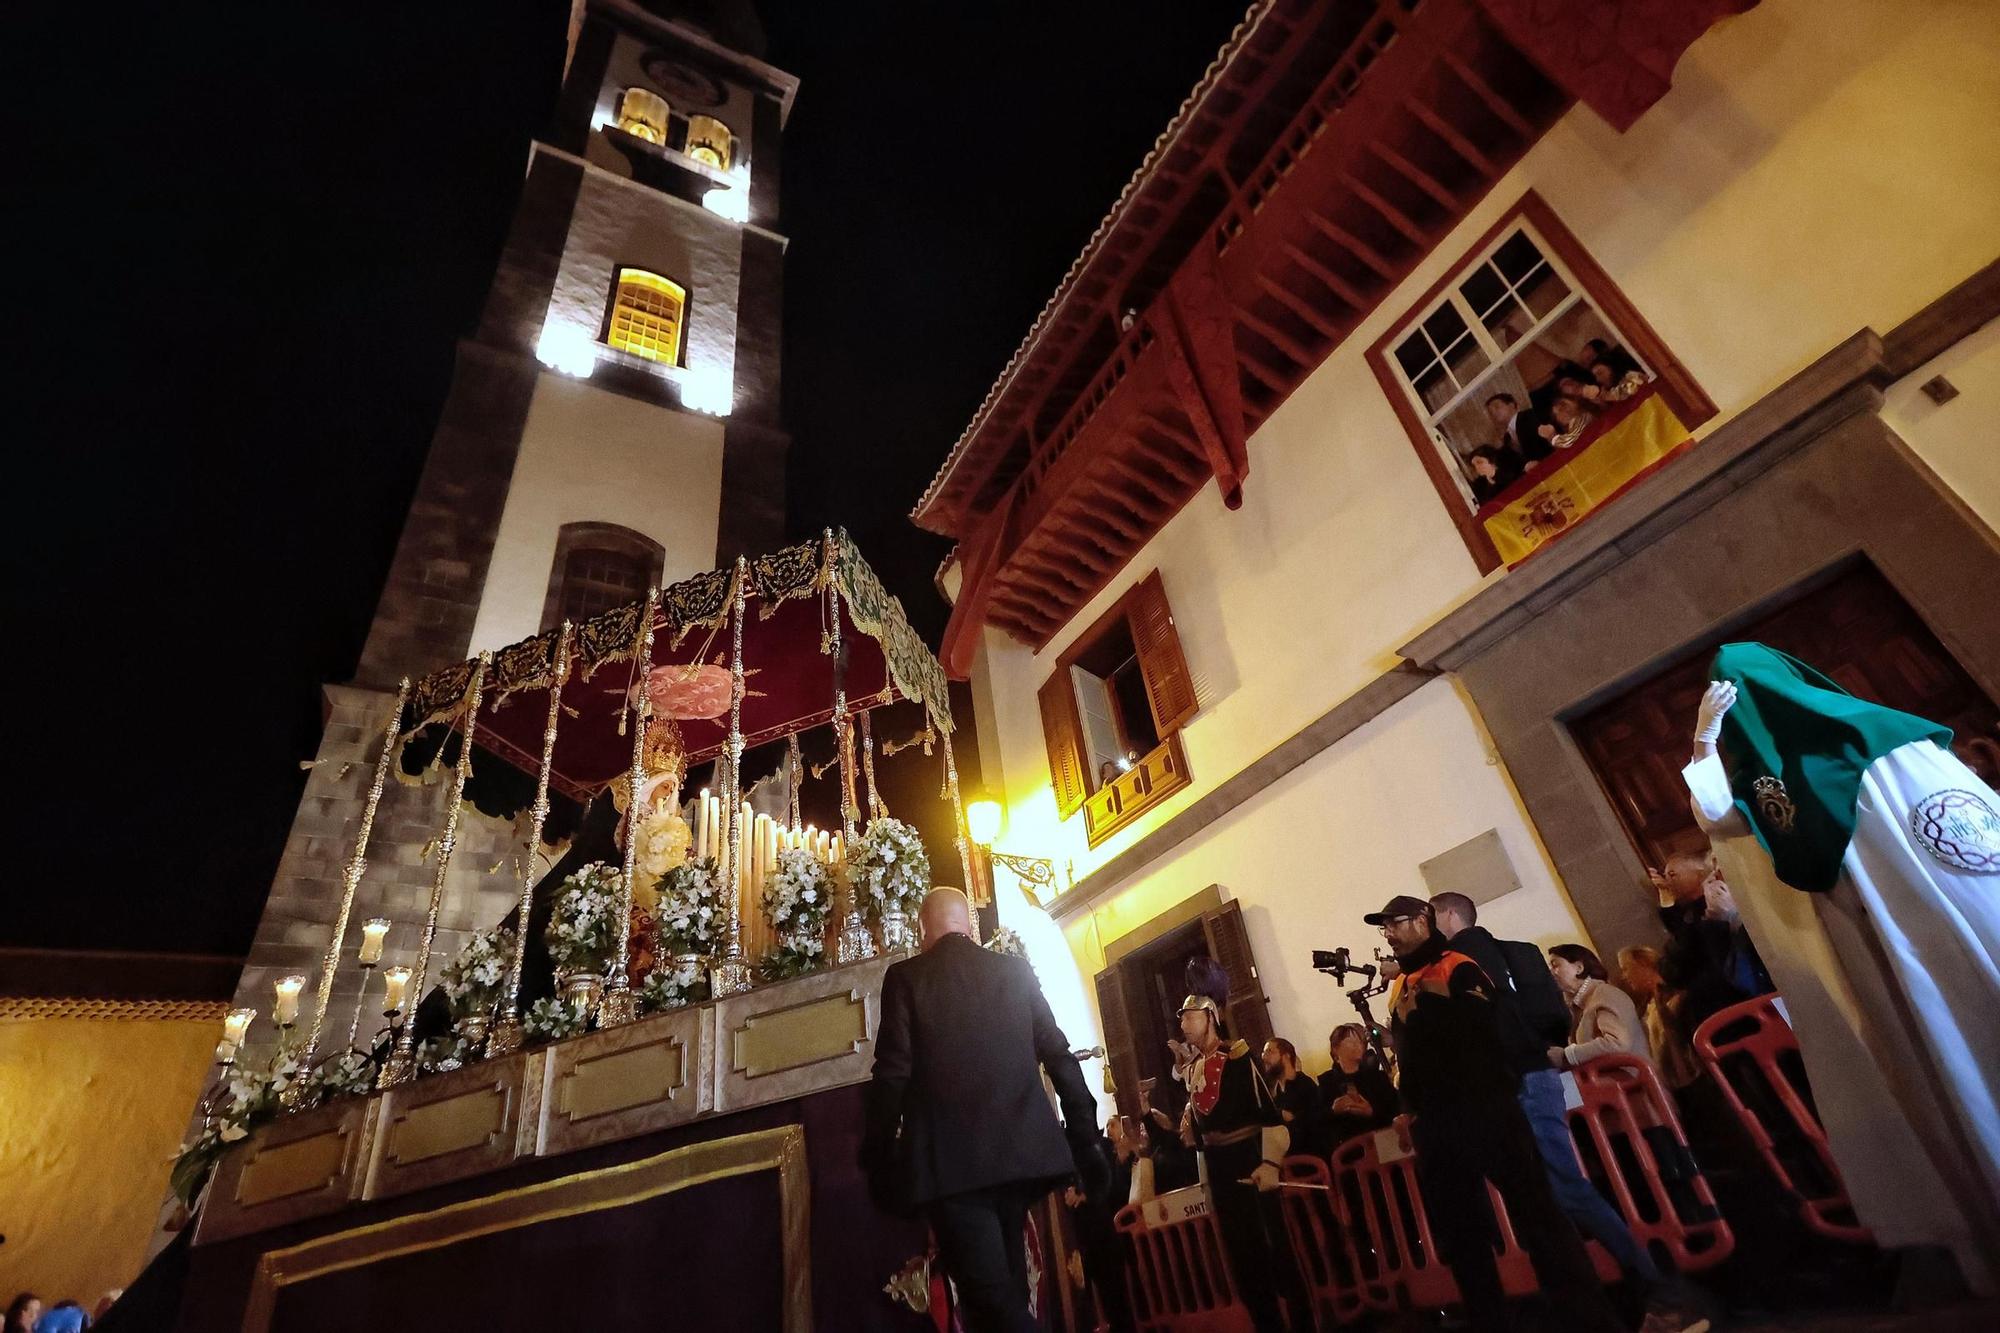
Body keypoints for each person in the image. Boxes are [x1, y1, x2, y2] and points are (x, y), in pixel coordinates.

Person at [1682, 647, 2000, 1290]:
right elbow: (1718, 817)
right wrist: (1704, 748)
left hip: (1918, 946)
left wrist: (1707, 748)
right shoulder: (1858, 750)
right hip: (1912, 950)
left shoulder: (1818, 766)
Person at [1426, 893, 1697, 1331]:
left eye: (1430, 915)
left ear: (1450, 915)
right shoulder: (1513, 955)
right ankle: (1629, 1300)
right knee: (1551, 1196)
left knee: (1563, 1189)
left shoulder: (1463, 958)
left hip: (1519, 1083)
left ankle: (1659, 1290)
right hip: (1532, 1077)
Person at [1368, 894, 1623, 1333]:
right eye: (1384, 926)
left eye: (1396, 922)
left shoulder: (1457, 965)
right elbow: (1410, 1059)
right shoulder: (1398, 987)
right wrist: (1410, 1107)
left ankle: (1591, 1321)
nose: (1388, 933)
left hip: (1482, 1108)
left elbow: (1483, 1034)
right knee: (1464, 1240)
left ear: (1426, 920)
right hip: (1436, 1124)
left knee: (1539, 1217)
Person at [862, 889, 1104, 1332]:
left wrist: (876, 1153)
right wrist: (1085, 1137)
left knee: (992, 1302)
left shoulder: (907, 978)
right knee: (1006, 1295)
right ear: (969, 926)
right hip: (1022, 1159)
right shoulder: (1013, 970)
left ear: (921, 931)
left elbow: (892, 1073)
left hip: (952, 1170)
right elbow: (1059, 1054)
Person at [1174, 993, 1293, 1331]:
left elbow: (1270, 1117)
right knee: (1242, 1260)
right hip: (1219, 1169)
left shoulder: (1240, 1058)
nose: (1183, 1024)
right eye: (1181, 1017)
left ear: (1211, 1016)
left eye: (1190, 1016)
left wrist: (1270, 1163)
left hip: (1249, 1161)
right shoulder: (1192, 1070)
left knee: (1270, 1251)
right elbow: (1200, 1135)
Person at [1546, 944, 1651, 1066]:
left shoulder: (1604, 994)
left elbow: (1617, 1043)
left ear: (1579, 968)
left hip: (1635, 1080)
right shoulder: (1581, 1004)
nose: (1550, 972)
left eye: (1555, 965)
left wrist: (1567, 1055)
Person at [1315, 1022, 1398, 1154]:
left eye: (1359, 1040)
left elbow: (1395, 1108)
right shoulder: (1327, 1082)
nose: (1358, 1044)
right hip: (1347, 1150)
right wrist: (1333, 1110)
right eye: (1350, 1041)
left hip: (1380, 1146)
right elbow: (1318, 1121)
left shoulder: (1377, 1077)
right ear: (1336, 1049)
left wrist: (1371, 1111)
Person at [1261, 1037, 1322, 1156]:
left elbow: (1317, 1121)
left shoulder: (1304, 1084)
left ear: (1286, 1056)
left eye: (1270, 1051)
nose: (1264, 1057)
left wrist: (1294, 1119)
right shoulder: (1275, 1094)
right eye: (1263, 1053)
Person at [1484, 392, 1551, 468]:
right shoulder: (1506, 438)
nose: (1494, 413)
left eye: (1497, 407)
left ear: (1511, 405)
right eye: (1490, 412)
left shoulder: (1529, 416)